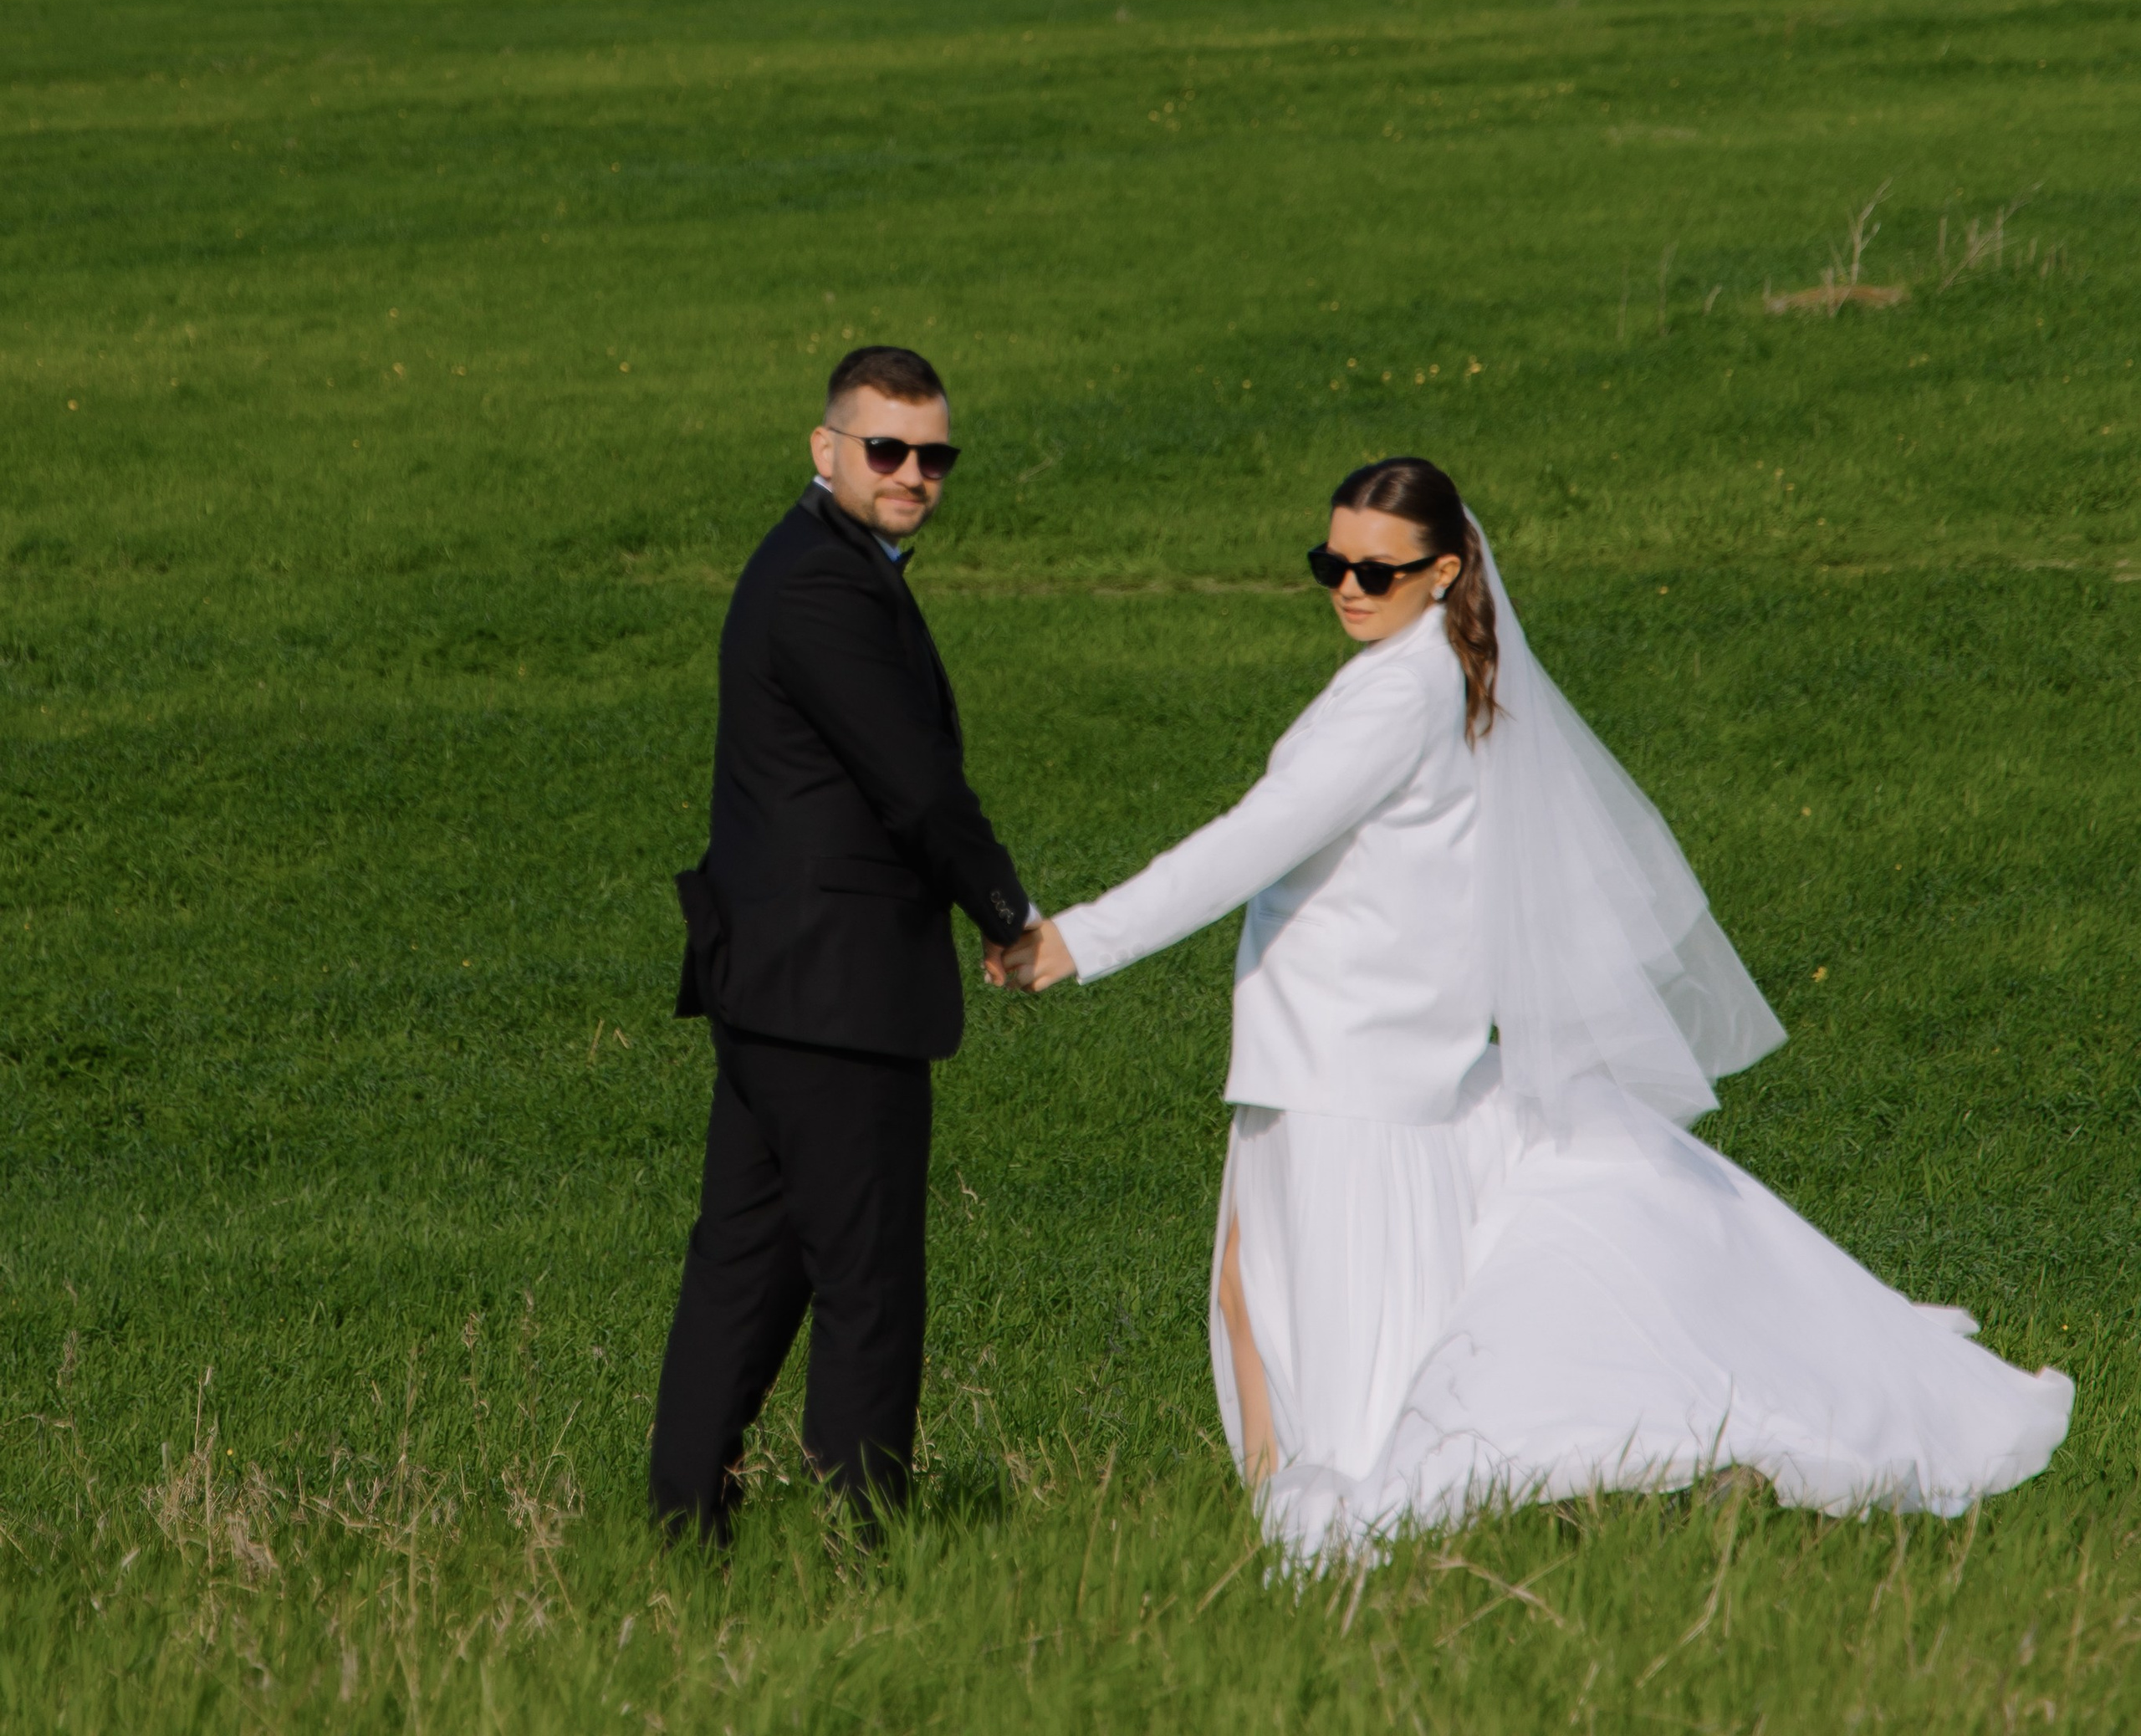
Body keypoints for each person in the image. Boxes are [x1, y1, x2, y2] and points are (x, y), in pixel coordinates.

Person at [1004, 455, 2071, 1559]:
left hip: (1347, 1066)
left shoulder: (1401, 694)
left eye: (1379, 569)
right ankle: (1291, 1518)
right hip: (1337, 1050)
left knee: (1281, 1303)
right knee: (1248, 1286)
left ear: (1445, 570)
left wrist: (1074, 941)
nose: (1349, 587)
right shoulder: (1422, 671)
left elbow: (1250, 842)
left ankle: (1321, 1529)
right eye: (1331, 563)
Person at [651, 345, 1031, 1543]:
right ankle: (866, 1544)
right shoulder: (823, 583)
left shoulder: (831, 565)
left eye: (934, 455)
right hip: (835, 993)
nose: (914, 472)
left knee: (749, 1270)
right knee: (868, 1284)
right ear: (828, 452)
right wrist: (1008, 913)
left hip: (779, 986)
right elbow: (914, 787)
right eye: (887, 449)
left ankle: (681, 1532)